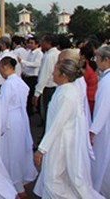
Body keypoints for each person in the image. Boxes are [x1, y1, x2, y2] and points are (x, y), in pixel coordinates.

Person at [33, 59, 103, 198]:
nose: (52, 74)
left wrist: (42, 148)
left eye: (55, 71)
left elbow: (57, 124)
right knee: (56, 180)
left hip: (62, 142)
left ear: (64, 75)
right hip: (58, 140)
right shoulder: (63, 90)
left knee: (54, 180)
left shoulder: (68, 94)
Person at [0, 57, 38, 198]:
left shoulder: (8, 85)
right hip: (20, 118)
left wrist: (0, 127)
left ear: (4, 67)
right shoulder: (20, 82)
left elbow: (3, 107)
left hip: (10, 119)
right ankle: (19, 180)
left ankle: (16, 185)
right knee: (18, 150)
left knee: (10, 153)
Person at [91, 45, 110, 197]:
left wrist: (93, 130)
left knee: (102, 160)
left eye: (97, 58)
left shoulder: (106, 82)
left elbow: (102, 109)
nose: (96, 61)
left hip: (105, 128)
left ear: (106, 60)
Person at [33, 34, 60, 132]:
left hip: (49, 88)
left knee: (47, 114)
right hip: (56, 87)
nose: (41, 44)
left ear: (49, 43)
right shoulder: (57, 54)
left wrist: (37, 93)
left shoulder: (49, 56)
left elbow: (44, 75)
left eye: (43, 41)